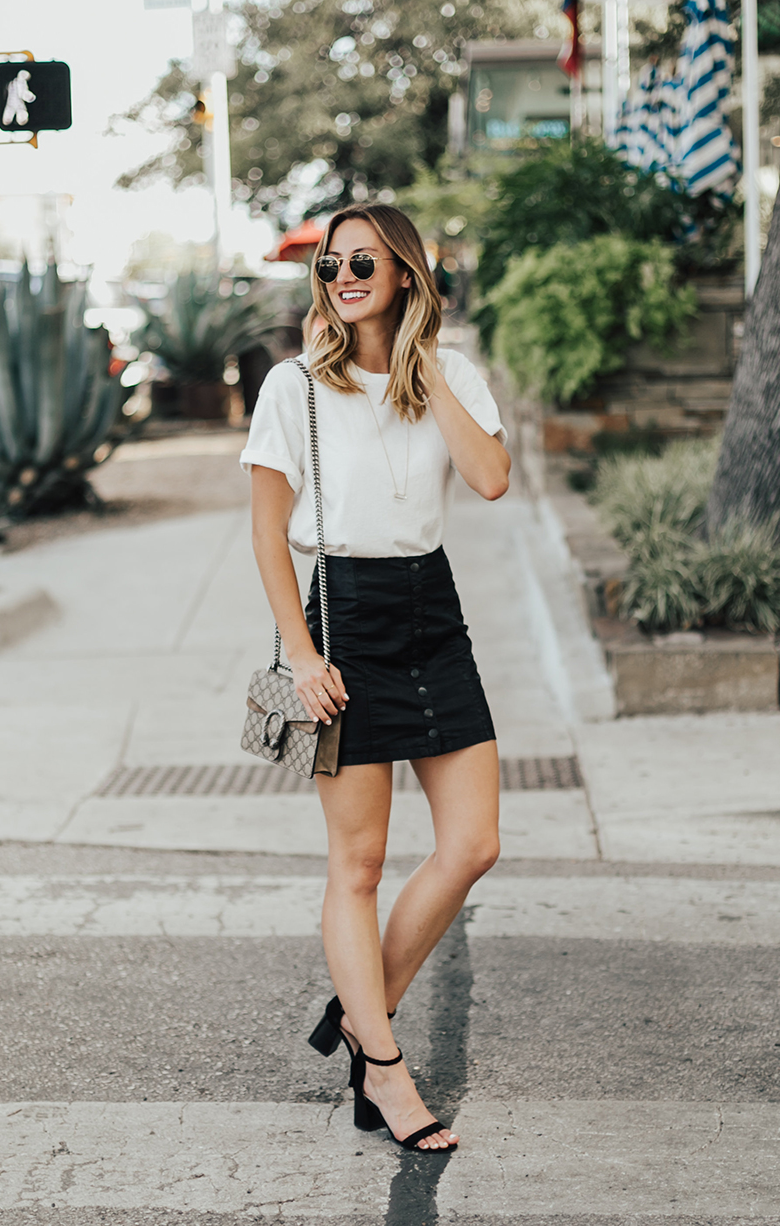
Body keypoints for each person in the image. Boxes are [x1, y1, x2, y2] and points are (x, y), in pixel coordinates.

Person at [240, 203, 510, 1153]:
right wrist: (303, 656)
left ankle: (363, 1014)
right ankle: (386, 1071)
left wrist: (425, 367)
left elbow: (488, 479)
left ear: (403, 271)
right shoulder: (294, 387)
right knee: (356, 865)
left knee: (472, 843)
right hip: (343, 618)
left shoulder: (454, 372)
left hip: (432, 613)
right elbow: (269, 535)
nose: (342, 276)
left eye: (363, 261)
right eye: (329, 266)